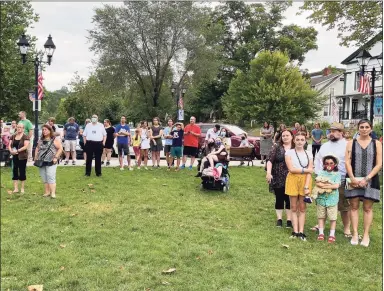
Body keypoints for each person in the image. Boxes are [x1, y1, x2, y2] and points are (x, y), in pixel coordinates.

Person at [345, 119, 382, 247]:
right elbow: (347, 162)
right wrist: (353, 178)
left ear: (371, 129)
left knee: (367, 208)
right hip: (353, 179)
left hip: (370, 180)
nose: (364, 129)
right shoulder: (351, 143)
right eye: (362, 127)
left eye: (367, 127)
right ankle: (355, 233)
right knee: (353, 206)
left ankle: (366, 234)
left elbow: (379, 164)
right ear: (358, 128)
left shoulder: (376, 143)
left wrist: (367, 178)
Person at [314, 122, 351, 237]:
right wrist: (319, 175)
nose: (331, 133)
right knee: (323, 203)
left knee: (343, 205)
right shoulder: (325, 145)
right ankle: (321, 226)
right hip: (324, 179)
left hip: (341, 179)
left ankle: (347, 229)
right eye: (330, 131)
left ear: (341, 133)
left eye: (335, 131)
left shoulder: (347, 145)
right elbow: (318, 160)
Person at [285, 131, 313, 241]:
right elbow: (291, 169)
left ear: (305, 141)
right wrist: (305, 170)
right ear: (294, 140)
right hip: (292, 179)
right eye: (297, 140)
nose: (300, 142)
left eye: (302, 140)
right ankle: (295, 231)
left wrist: (306, 186)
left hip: (305, 180)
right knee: (293, 207)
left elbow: (310, 172)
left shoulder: (309, 153)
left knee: (302, 207)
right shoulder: (289, 153)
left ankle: (301, 231)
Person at [266, 129, 294, 228]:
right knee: (279, 198)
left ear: (291, 136)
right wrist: (269, 173)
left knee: (289, 198)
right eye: (283, 136)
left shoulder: (295, 147)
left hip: (291, 176)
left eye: (287, 135)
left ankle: (289, 220)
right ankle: (279, 219)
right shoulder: (276, 146)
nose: (285, 137)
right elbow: (269, 160)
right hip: (278, 175)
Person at [315, 155, 341, 243]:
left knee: (332, 217)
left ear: (335, 164)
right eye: (326, 163)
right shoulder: (321, 173)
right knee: (321, 216)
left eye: (331, 163)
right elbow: (318, 183)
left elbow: (336, 185)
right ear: (324, 164)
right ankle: (321, 233)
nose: (329, 165)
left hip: (332, 199)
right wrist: (329, 186)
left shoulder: (337, 174)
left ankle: (332, 234)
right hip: (321, 199)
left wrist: (325, 185)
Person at [35, 124, 63, 198]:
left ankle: (53, 193)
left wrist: (56, 157)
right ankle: (47, 192)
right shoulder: (40, 140)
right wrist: (36, 156)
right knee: (44, 177)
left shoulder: (54, 139)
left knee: (50, 176)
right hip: (41, 161)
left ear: (50, 131)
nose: (44, 131)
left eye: (45, 129)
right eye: (43, 130)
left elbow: (60, 148)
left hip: (51, 161)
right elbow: (37, 148)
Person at [8, 123, 30, 193]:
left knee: (22, 171)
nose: (19, 128)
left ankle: (22, 188)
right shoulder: (13, 136)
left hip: (22, 156)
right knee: (15, 170)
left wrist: (18, 151)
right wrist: (10, 151)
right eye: (18, 127)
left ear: (23, 128)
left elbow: (25, 146)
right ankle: (16, 188)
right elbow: (9, 145)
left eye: (20, 127)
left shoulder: (25, 136)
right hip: (14, 156)